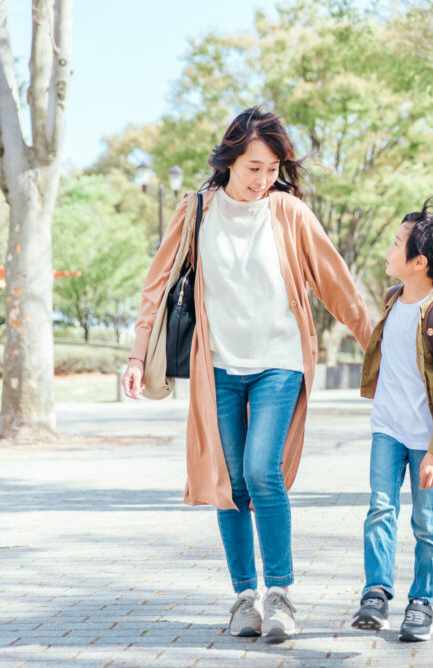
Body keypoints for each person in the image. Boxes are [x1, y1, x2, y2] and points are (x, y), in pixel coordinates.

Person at [121, 107, 372, 638]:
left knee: (263, 470)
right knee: (231, 484)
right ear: (230, 159)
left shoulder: (288, 212)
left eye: (273, 168)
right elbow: (156, 285)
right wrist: (137, 355)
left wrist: (374, 344)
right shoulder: (195, 210)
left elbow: (336, 283)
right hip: (217, 366)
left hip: (279, 361)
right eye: (254, 167)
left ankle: (279, 593)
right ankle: (244, 599)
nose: (263, 180)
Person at [351, 201, 433, 642]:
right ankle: (376, 593)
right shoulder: (392, 301)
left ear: (419, 262)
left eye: (398, 243)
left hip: (428, 441)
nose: (389, 248)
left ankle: (422, 601)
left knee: (427, 523)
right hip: (386, 428)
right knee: (380, 509)